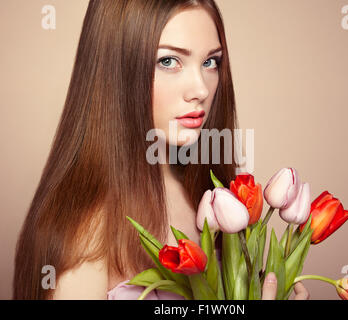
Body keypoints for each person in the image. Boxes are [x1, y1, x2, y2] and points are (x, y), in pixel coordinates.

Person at [13, 0, 309, 300]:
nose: (201, 90)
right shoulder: (87, 232)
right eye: (169, 61)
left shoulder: (217, 195)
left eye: (211, 62)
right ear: (114, 70)